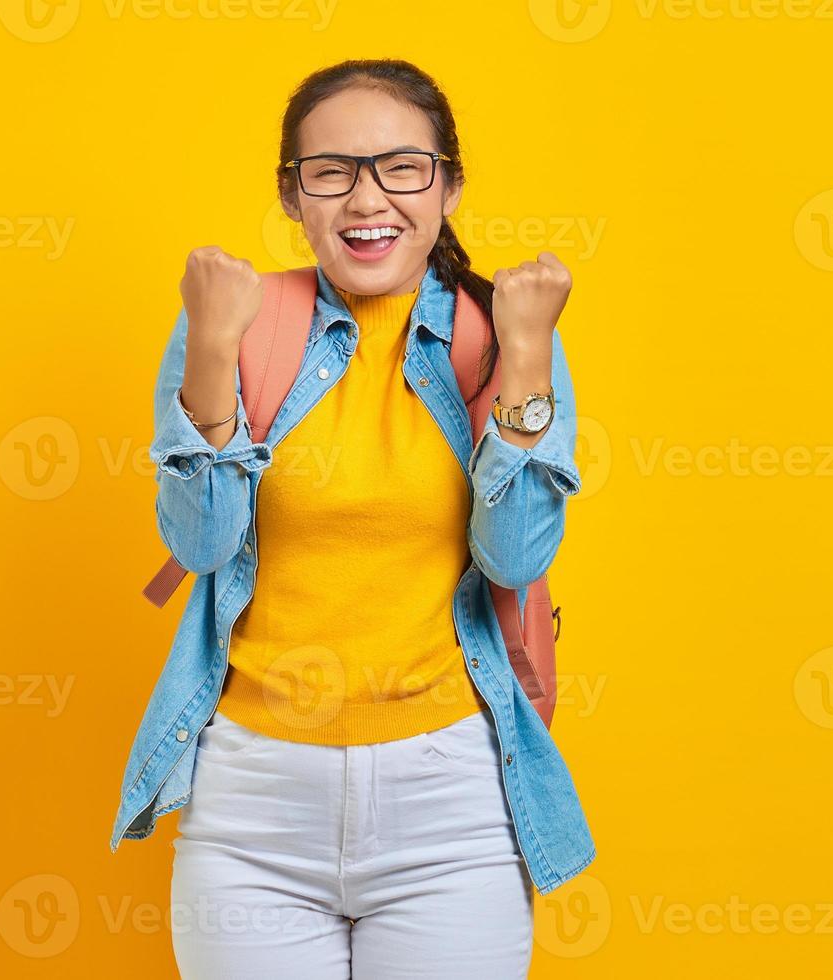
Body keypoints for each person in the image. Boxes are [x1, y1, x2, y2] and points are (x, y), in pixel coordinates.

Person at [109, 58, 596, 979]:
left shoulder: (501, 330)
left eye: (401, 167)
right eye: (330, 171)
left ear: (447, 184)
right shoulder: (242, 322)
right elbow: (201, 542)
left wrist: (527, 357)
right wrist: (210, 347)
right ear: (294, 196)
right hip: (253, 802)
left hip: (451, 801)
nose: (366, 197)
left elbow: (516, 552)